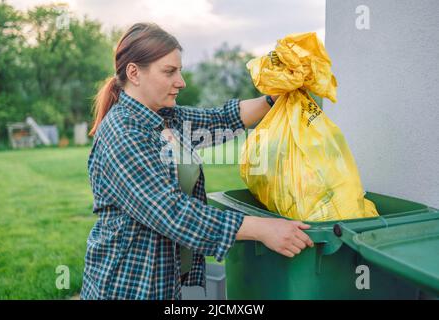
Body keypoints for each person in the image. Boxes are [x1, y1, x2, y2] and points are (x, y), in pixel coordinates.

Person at [80, 22, 314, 300]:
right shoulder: (122, 132)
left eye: (179, 70)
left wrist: (275, 98)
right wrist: (262, 229)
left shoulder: (168, 117)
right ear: (134, 72)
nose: (181, 81)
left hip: (166, 279)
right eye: (169, 71)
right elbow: (170, 212)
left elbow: (222, 120)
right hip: (129, 284)